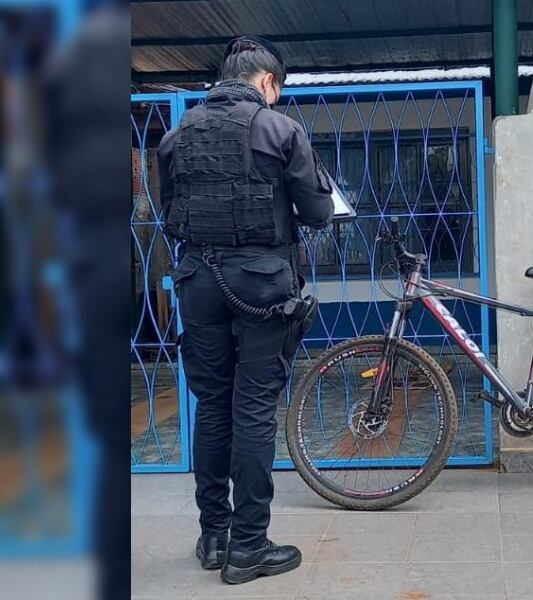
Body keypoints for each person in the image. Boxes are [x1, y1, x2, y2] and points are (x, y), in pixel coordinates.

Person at [157, 36, 333, 584]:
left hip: (196, 282)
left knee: (213, 406)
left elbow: (170, 213)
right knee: (253, 410)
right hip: (260, 284)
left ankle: (214, 536)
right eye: (276, 90)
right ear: (265, 82)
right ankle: (249, 547)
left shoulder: (175, 135)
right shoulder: (279, 129)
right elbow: (318, 212)